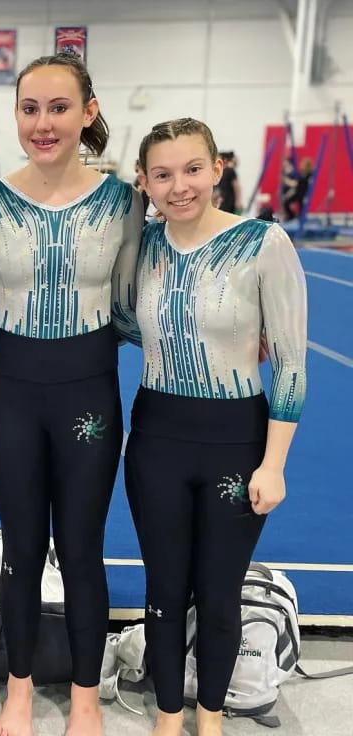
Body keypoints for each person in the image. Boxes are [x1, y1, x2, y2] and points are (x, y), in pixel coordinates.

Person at [0, 53, 143, 736]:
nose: (43, 123)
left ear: (87, 112)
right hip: (13, 392)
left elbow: (138, 305)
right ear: (17, 114)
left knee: (82, 546)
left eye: (59, 108)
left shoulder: (123, 202)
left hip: (88, 389)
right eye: (31, 108)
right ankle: (19, 689)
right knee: (23, 547)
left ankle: (85, 695)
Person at [125, 117, 306, 736]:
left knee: (219, 590)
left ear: (217, 169)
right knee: (164, 587)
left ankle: (211, 716)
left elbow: (289, 362)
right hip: (156, 438)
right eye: (163, 174)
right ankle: (169, 715)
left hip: (236, 437)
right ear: (144, 182)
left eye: (193, 169)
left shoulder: (262, 243)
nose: (180, 186)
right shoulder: (141, 246)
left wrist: (274, 463)